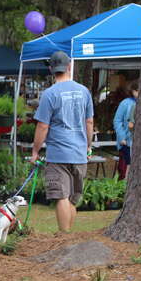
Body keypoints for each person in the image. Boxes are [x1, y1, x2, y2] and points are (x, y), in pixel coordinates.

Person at [31, 51, 94, 232]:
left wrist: (35, 152)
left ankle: (64, 237)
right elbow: (89, 122)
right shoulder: (84, 91)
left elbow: (43, 126)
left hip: (58, 153)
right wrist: (88, 146)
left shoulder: (50, 94)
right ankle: (68, 237)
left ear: (51, 69)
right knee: (72, 198)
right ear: (69, 67)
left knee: (62, 197)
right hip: (79, 153)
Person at [113, 81, 139, 180]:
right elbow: (117, 120)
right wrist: (122, 137)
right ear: (133, 91)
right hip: (126, 141)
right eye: (138, 91)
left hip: (139, 141)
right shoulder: (125, 103)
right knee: (127, 166)